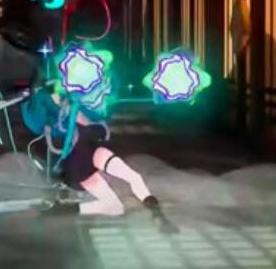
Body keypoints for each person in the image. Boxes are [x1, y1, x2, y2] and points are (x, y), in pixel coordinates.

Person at [22, 82, 167, 222]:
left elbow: (101, 118)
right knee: (115, 207)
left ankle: (154, 208)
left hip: (93, 152)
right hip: (79, 165)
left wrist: (151, 204)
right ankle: (65, 209)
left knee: (130, 180)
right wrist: (43, 97)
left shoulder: (86, 109)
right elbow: (40, 121)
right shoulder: (58, 118)